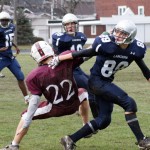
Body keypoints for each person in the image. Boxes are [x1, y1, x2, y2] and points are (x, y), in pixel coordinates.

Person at [49, 19, 150, 150]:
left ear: (130, 36)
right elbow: (85, 52)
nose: (118, 35)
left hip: (105, 83)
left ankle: (70, 139)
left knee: (103, 120)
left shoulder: (136, 49)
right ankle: (142, 141)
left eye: (123, 33)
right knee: (129, 103)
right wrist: (59, 58)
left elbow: (145, 70)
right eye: (117, 31)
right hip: (97, 81)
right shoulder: (106, 44)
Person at [0, 41, 90, 150]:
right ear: (50, 50)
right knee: (83, 92)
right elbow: (86, 54)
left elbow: (34, 103)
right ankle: (86, 127)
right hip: (74, 103)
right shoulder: (65, 59)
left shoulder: (33, 76)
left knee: (25, 115)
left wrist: (28, 118)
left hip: (56, 108)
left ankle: (14, 145)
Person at [52, 13, 99, 118]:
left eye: (72, 24)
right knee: (90, 88)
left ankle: (78, 106)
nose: (70, 26)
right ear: (64, 26)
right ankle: (97, 117)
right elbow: (64, 40)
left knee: (92, 83)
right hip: (67, 69)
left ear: (77, 24)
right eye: (67, 24)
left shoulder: (81, 36)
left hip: (76, 67)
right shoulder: (59, 37)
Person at [0, 11, 29, 103]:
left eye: (6, 20)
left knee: (20, 77)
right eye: (2, 20)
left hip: (9, 57)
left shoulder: (12, 27)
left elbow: (8, 40)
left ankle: (26, 98)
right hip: (1, 57)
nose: (4, 22)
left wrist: (15, 46)